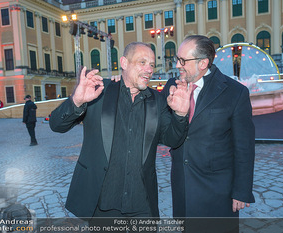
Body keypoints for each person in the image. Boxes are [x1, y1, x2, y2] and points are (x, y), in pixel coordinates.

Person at [49, 42, 191, 219]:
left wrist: (180, 114)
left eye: (152, 65)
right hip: (102, 204)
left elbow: (172, 140)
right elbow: (56, 125)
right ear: (124, 63)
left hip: (142, 204)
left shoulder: (158, 100)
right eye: (142, 62)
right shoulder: (98, 92)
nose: (149, 69)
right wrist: (76, 101)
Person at [162, 35, 255, 220]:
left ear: (203, 63)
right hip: (183, 186)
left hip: (218, 190)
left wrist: (241, 190)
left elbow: (244, 147)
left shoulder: (235, 92)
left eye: (183, 60)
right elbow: (164, 133)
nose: (178, 65)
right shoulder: (172, 87)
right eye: (177, 59)